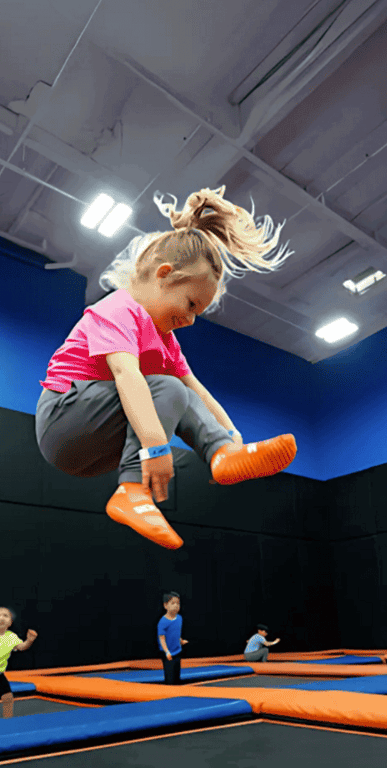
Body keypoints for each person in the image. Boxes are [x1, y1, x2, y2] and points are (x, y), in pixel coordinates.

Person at [36, 186, 297, 550]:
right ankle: (131, 489)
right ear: (164, 274)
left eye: (198, 313)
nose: (191, 320)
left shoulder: (167, 342)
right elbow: (128, 377)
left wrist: (230, 436)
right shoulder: (119, 308)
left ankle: (220, 455)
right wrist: (155, 448)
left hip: (94, 448)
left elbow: (199, 393)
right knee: (167, 387)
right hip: (62, 421)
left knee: (180, 389)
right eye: (190, 304)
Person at [158, 591, 186, 685]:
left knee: (177, 674)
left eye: (178, 603)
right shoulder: (163, 622)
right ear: (165, 605)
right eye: (173, 603)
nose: (176, 605)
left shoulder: (179, 618)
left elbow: (176, 633)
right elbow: (161, 638)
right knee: (170, 677)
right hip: (168, 653)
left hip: (177, 651)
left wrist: (180, 640)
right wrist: (167, 651)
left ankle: (178, 692)